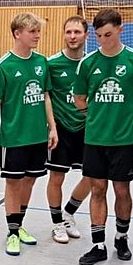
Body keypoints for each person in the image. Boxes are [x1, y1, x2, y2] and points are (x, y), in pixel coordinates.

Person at [74, 8, 133, 265]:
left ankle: (121, 237)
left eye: (108, 34)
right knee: (97, 189)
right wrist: (98, 117)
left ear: (120, 29)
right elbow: (79, 100)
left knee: (122, 190)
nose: (103, 40)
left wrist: (125, 118)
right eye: (98, 36)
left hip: (124, 139)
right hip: (95, 139)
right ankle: (98, 245)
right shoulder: (88, 63)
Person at [0, 12, 58, 256]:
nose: (37, 36)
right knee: (13, 182)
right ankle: (13, 232)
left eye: (38, 31)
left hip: (38, 136)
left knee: (30, 180)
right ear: (18, 34)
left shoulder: (41, 62)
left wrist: (53, 127)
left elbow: (46, 96)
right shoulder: (4, 66)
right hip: (14, 138)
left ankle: (19, 225)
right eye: (32, 32)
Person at [45, 16, 91, 244]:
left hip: (87, 128)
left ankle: (68, 213)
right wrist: (51, 127)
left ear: (86, 35)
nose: (72, 36)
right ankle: (56, 223)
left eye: (77, 32)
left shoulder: (92, 63)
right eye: (68, 32)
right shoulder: (52, 64)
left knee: (92, 177)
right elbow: (46, 97)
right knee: (56, 177)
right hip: (61, 129)